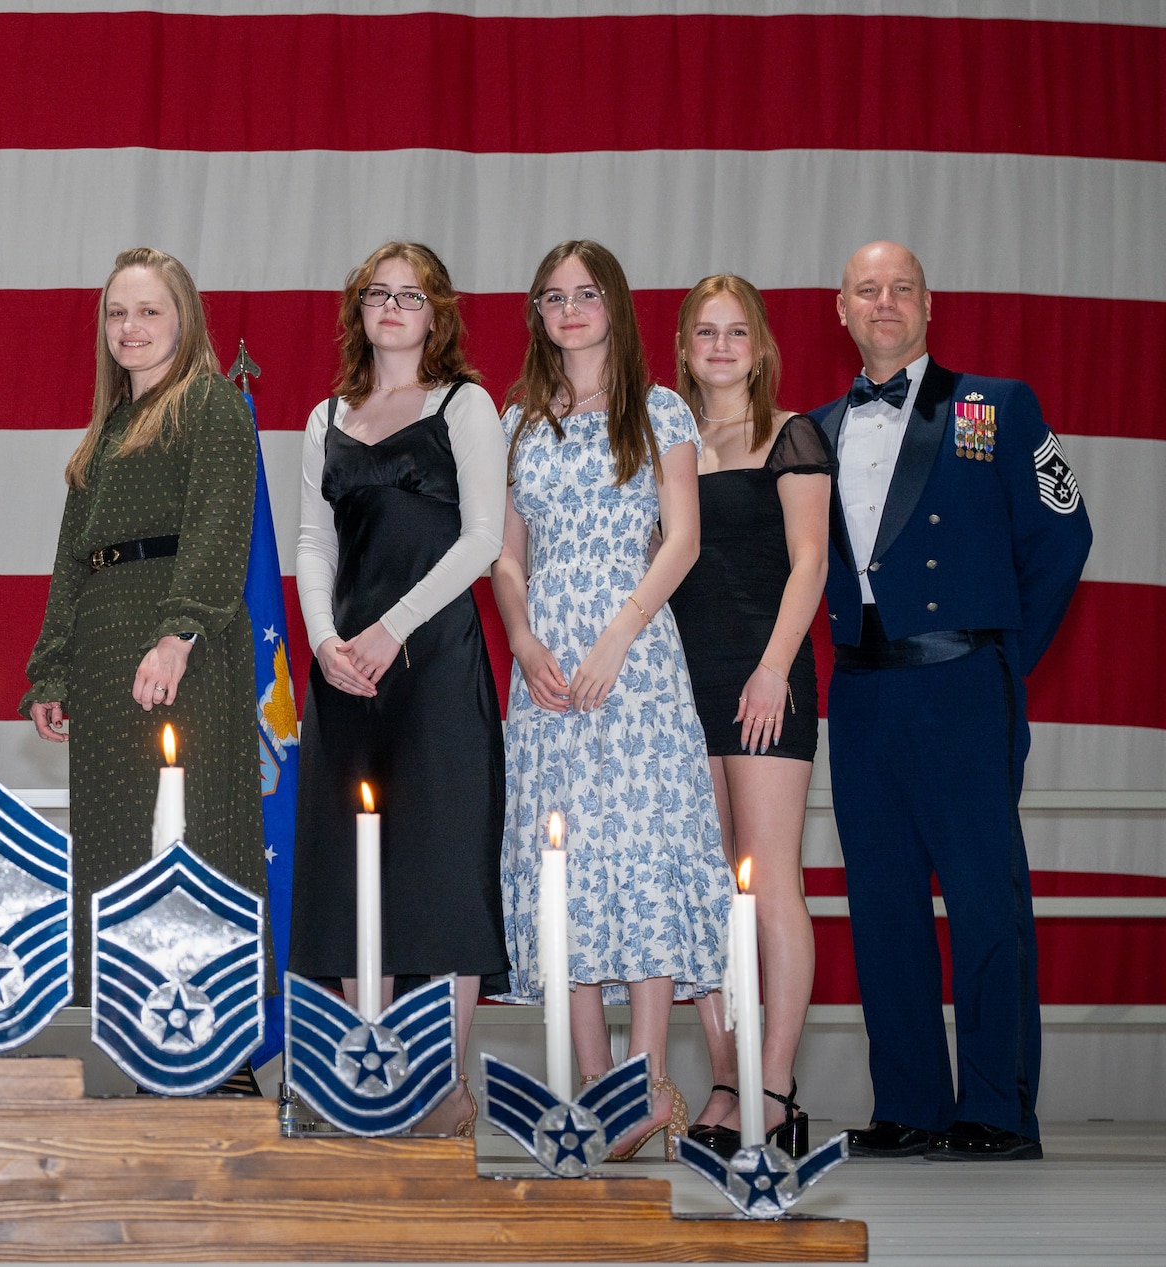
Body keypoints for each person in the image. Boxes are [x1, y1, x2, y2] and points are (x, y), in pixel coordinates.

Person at [817, 242, 1091, 1161]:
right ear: (841, 309)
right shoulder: (815, 428)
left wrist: (1001, 656)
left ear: (928, 304)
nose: (884, 303)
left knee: (983, 900)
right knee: (881, 904)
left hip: (963, 684)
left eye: (901, 289)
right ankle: (910, 1104)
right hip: (859, 691)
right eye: (867, 290)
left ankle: (996, 1108)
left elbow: (1063, 532)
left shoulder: (997, 406)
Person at [490, 240, 735, 1160]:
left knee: (642, 847)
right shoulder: (521, 419)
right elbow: (508, 554)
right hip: (546, 662)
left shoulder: (660, 409)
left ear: (614, 305)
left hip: (633, 659)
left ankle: (647, 1075)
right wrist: (522, 635)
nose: (569, 310)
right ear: (539, 315)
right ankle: (591, 1080)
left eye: (585, 294)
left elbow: (681, 541)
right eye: (552, 297)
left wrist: (618, 635)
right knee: (567, 861)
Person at [288, 242, 508, 1138]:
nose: (392, 308)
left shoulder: (467, 404)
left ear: (437, 312)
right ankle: (366, 1075)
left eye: (410, 296)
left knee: (441, 871)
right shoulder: (324, 417)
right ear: (358, 310)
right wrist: (327, 639)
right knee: (349, 875)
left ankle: (440, 1089)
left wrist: (391, 630)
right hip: (346, 675)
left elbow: (483, 539)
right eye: (377, 295)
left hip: (436, 665)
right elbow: (312, 544)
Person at [22, 247, 264, 1010]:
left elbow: (220, 529)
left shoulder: (211, 403)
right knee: (117, 848)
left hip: (178, 656)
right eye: (117, 312)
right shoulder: (108, 428)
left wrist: (178, 635)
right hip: (102, 659)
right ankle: (129, 1034)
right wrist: (51, 668)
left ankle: (210, 1045)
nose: (131, 327)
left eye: (149, 310)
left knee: (189, 838)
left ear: (183, 317)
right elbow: (72, 560)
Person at [667, 275, 832, 1157]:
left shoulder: (790, 433)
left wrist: (773, 668)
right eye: (706, 332)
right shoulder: (669, 442)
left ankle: (776, 1085)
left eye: (737, 332)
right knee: (704, 892)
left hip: (766, 677)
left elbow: (810, 563)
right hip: (681, 686)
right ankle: (725, 1080)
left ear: (760, 346)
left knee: (768, 885)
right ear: (685, 345)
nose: (722, 346)